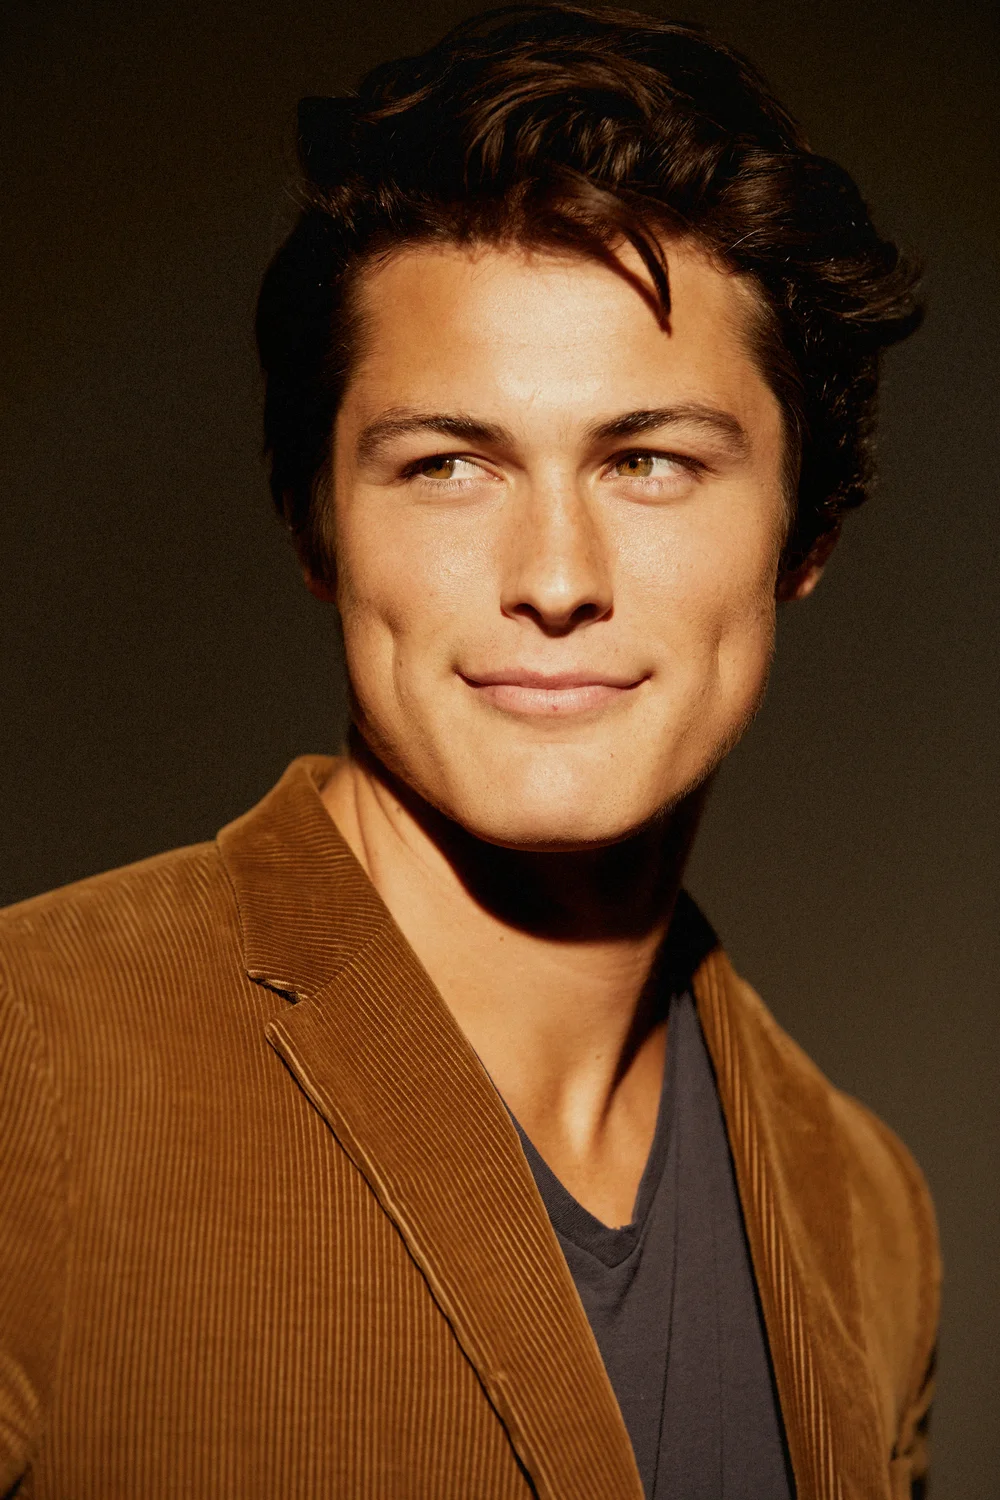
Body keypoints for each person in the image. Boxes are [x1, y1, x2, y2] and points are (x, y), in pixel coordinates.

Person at [0, 5, 939, 1497]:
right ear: (318, 526)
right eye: (447, 465)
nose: (554, 576)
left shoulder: (873, 1217)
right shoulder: (30, 1063)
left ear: (804, 532)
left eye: (649, 462)